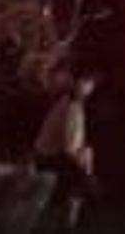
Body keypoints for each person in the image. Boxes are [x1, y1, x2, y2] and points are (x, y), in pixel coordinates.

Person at [33, 71, 98, 231]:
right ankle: (69, 225)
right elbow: (70, 148)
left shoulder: (65, 102)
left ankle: (71, 221)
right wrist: (86, 167)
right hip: (50, 157)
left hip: (46, 154)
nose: (87, 87)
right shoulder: (73, 108)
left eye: (90, 84)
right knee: (83, 183)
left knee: (83, 178)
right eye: (85, 82)